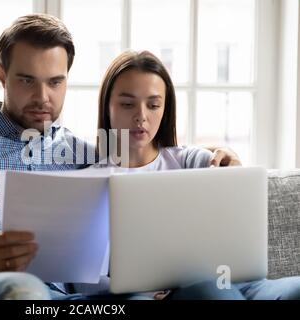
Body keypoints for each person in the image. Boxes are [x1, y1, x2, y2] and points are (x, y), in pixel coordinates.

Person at [0, 14, 244, 300]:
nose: (42, 96)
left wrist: (216, 154)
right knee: (25, 289)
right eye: (27, 80)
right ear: (1, 76)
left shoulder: (84, 155)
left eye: (55, 82)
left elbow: (149, 160)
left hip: (70, 299)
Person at [93, 49, 300, 300]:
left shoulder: (189, 160)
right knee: (209, 290)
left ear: (165, 108)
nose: (141, 116)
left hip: (243, 284)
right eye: (127, 104)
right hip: (178, 293)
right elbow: (84, 281)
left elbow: (229, 183)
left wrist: (231, 163)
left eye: (154, 105)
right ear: (107, 106)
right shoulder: (90, 181)